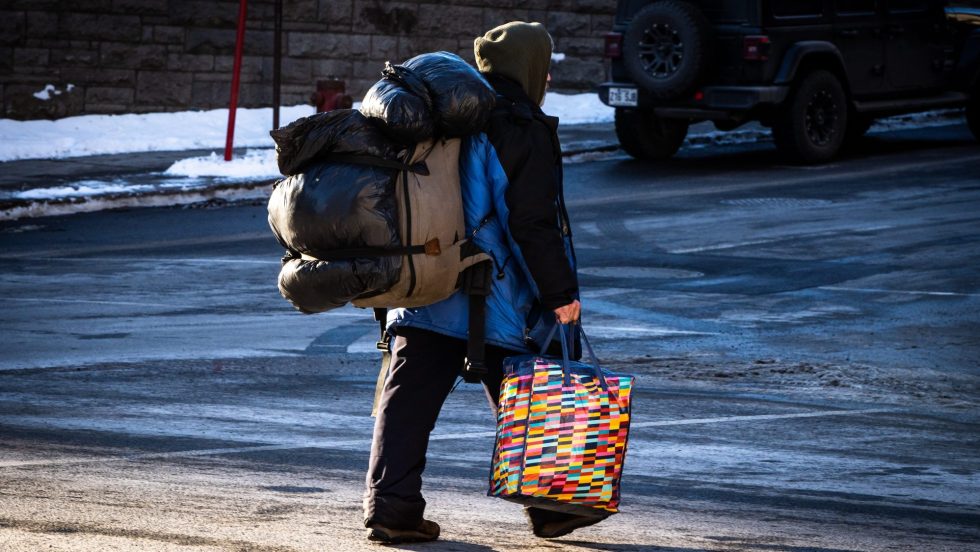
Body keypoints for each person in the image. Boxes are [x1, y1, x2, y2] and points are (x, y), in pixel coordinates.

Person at [363, 21, 596, 544]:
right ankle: (552, 506)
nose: (551, 77)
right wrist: (560, 296)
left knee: (406, 402)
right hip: (490, 292)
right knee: (530, 396)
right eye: (546, 66)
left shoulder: (438, 115)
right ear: (529, 68)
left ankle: (391, 510)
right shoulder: (519, 125)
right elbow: (531, 221)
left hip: (421, 281)